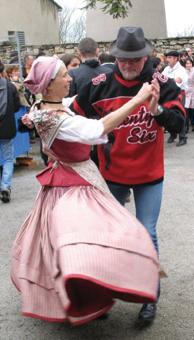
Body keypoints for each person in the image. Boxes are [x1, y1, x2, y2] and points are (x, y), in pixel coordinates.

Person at [11, 55, 159, 326]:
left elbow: (69, 107)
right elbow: (97, 129)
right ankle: (94, 293)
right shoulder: (52, 117)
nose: (70, 78)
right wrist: (137, 100)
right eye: (64, 76)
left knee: (66, 244)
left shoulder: (47, 106)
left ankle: (92, 291)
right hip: (74, 185)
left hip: (68, 179)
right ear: (48, 84)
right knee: (96, 239)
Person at [69, 26, 186, 323]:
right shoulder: (99, 83)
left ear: (146, 57)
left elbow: (180, 125)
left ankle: (149, 298)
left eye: (135, 59)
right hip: (111, 175)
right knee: (105, 237)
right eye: (123, 59)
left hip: (149, 174)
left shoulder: (161, 82)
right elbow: (76, 122)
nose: (128, 65)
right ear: (115, 56)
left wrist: (157, 110)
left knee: (146, 233)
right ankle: (101, 297)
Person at [0, 59, 21, 202]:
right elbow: (17, 106)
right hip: (6, 127)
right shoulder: (10, 86)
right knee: (8, 158)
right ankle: (5, 186)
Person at [162, 50, 188, 146]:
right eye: (167, 58)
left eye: (169, 58)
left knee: (180, 115)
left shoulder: (181, 70)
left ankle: (183, 137)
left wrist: (166, 81)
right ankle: (173, 134)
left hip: (179, 94)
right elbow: (161, 79)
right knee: (167, 115)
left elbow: (178, 80)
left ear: (176, 58)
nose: (167, 60)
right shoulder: (166, 69)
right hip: (168, 94)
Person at [184, 57, 194, 132]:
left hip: (193, 90)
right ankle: (186, 126)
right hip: (186, 90)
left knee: (193, 108)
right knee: (186, 107)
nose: (188, 65)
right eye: (187, 63)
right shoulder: (183, 71)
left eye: (190, 63)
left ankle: (193, 124)